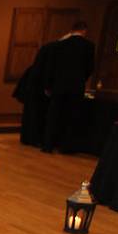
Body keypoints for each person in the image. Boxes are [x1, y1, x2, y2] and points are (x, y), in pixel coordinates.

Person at [41, 21, 95, 153]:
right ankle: (66, 148)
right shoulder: (89, 46)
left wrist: (48, 85)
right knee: (71, 117)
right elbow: (89, 68)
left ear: (72, 30)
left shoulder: (60, 45)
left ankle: (48, 145)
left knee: (53, 116)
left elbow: (51, 67)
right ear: (84, 30)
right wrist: (82, 79)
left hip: (59, 85)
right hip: (76, 86)